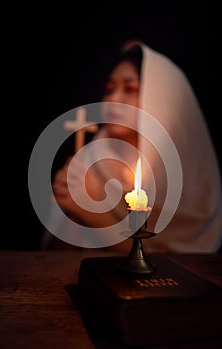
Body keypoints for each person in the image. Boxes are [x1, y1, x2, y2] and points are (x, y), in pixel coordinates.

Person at [41, 39, 222, 253]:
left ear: (164, 100)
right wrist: (71, 210)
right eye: (109, 89)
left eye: (130, 89)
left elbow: (164, 265)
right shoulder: (90, 160)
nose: (113, 99)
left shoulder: (192, 179)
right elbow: (55, 256)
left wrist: (94, 212)